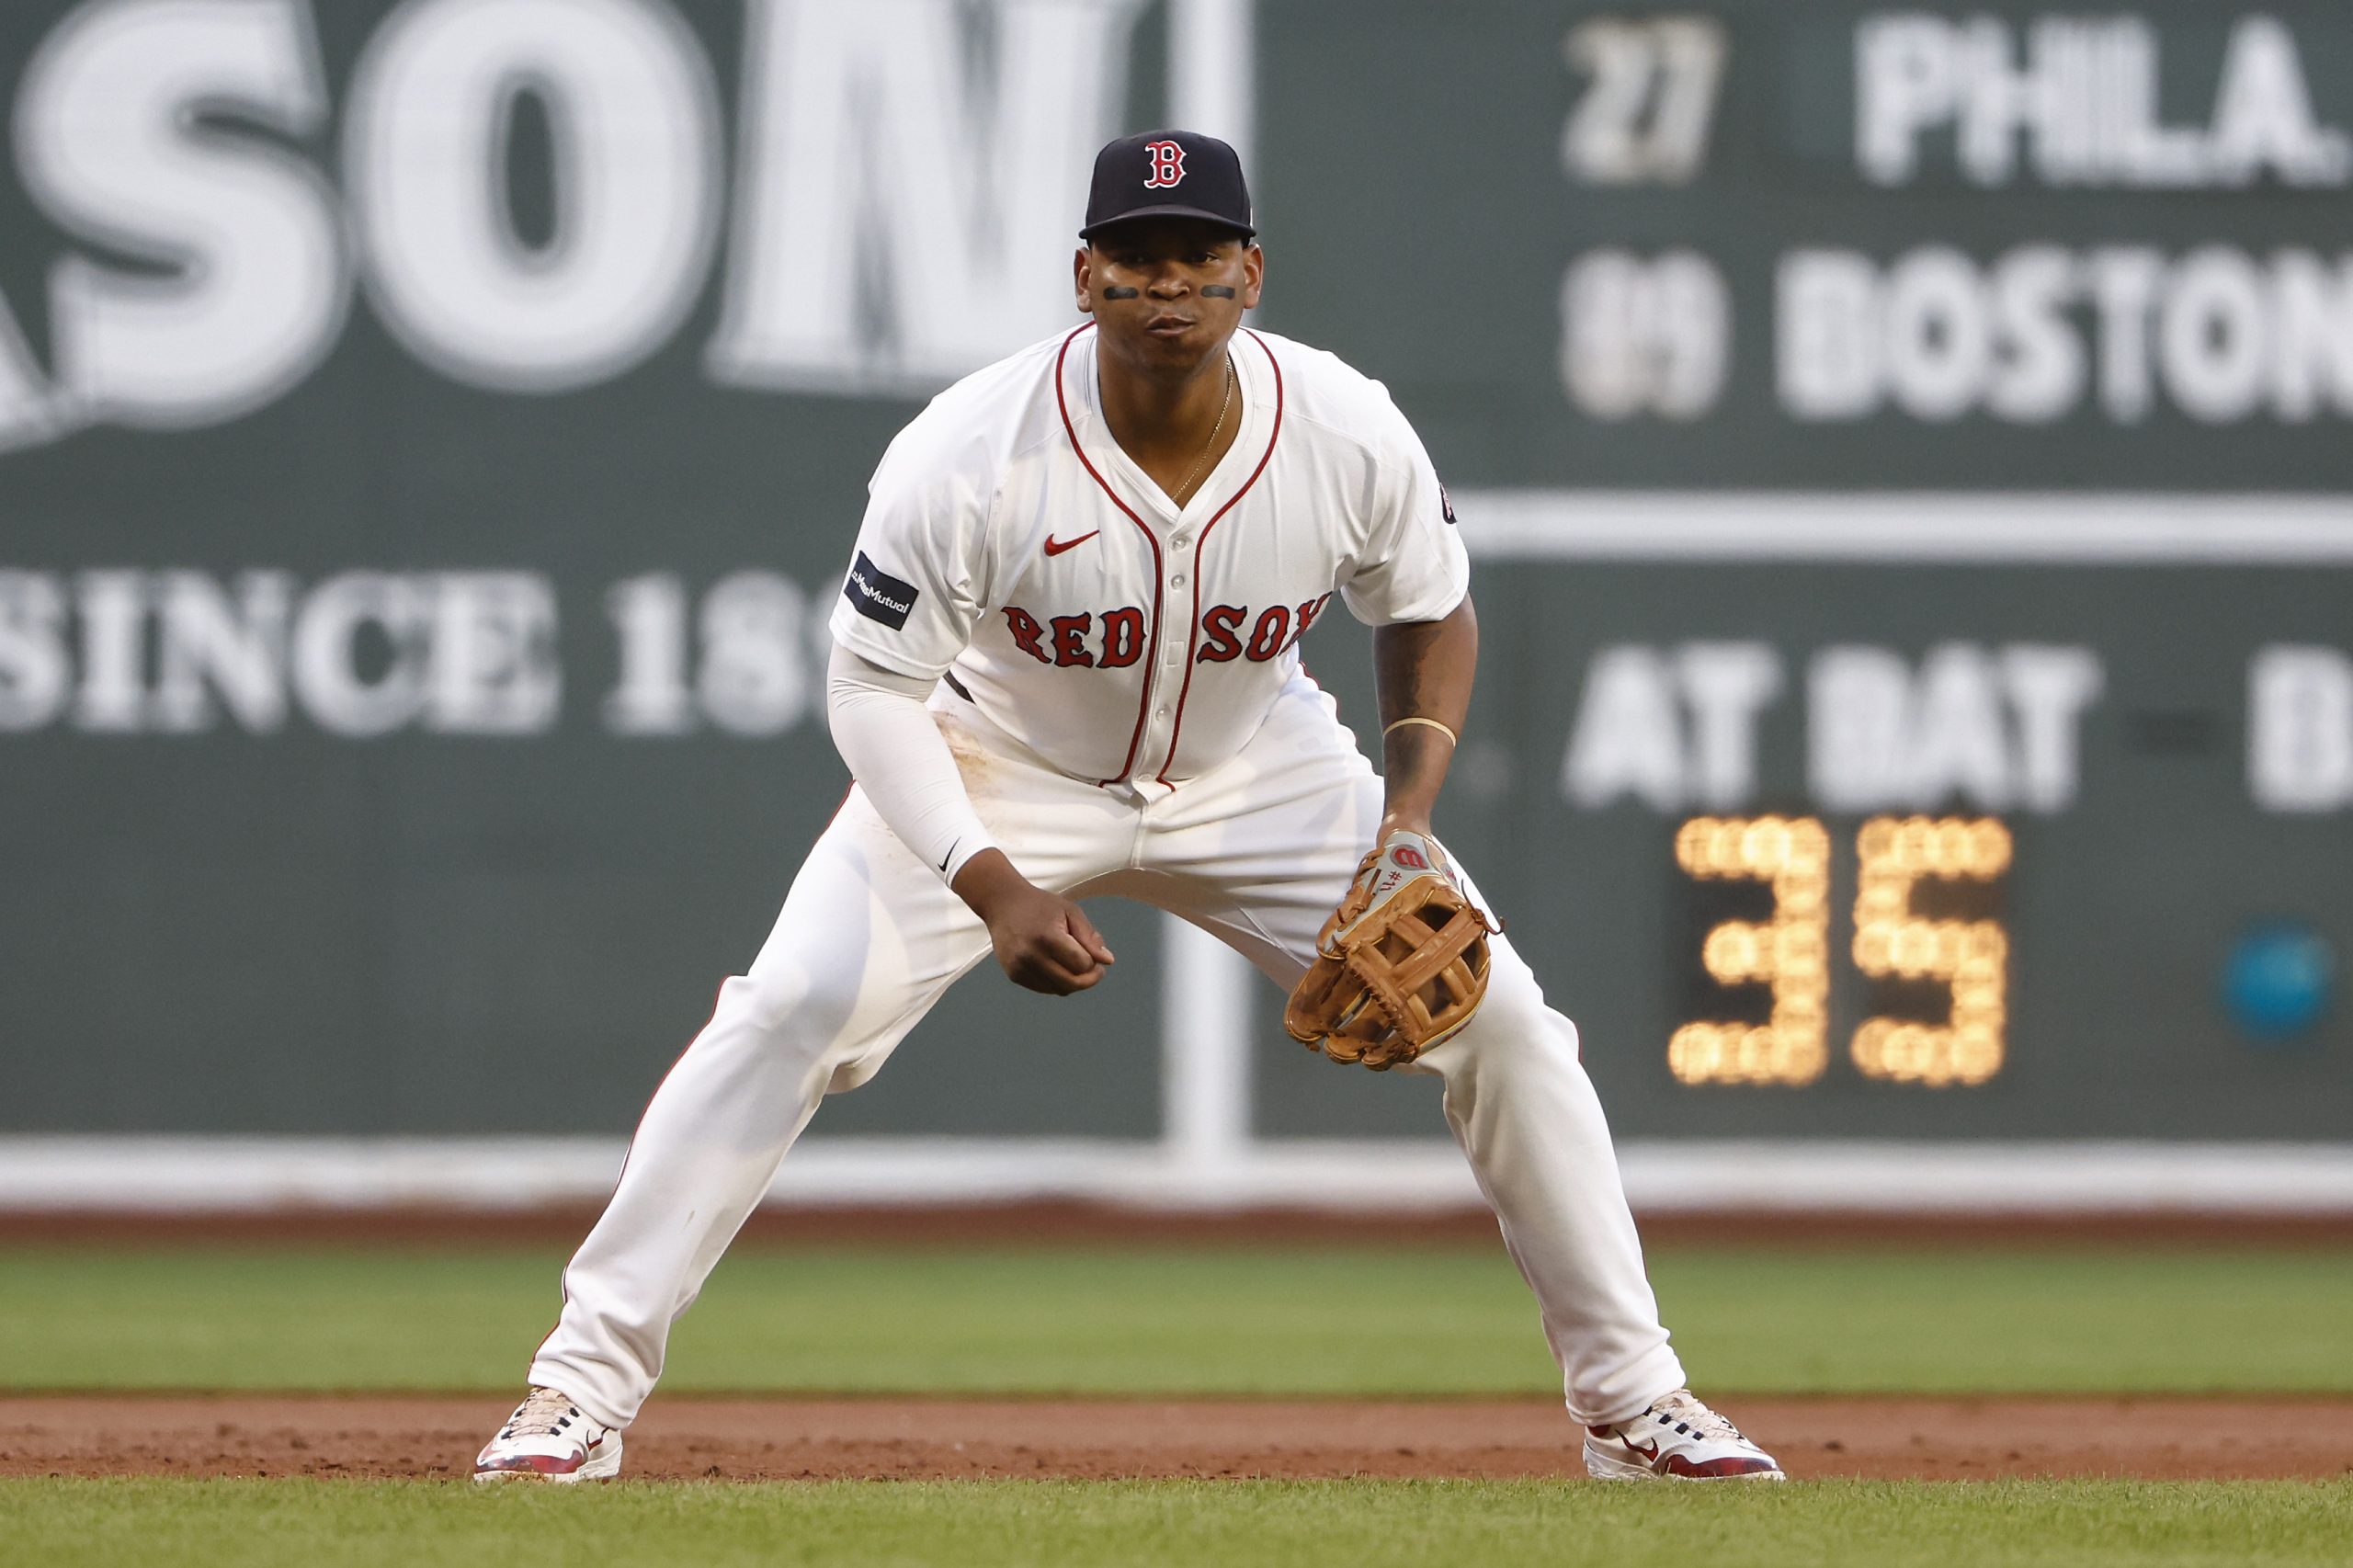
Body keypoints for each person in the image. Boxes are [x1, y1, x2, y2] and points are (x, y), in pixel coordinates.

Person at [472, 130, 1783, 1484]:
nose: (1171, 284)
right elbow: (869, 692)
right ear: (1085, 276)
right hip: (996, 762)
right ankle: (576, 1393)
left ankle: (1636, 1403)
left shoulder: (1339, 426)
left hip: (1258, 769)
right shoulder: (970, 450)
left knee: (1507, 1022)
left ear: (1251, 272)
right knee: (793, 1008)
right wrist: (988, 880)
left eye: (1200, 256)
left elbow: (1432, 610)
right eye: (1140, 258)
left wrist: (1409, 818)